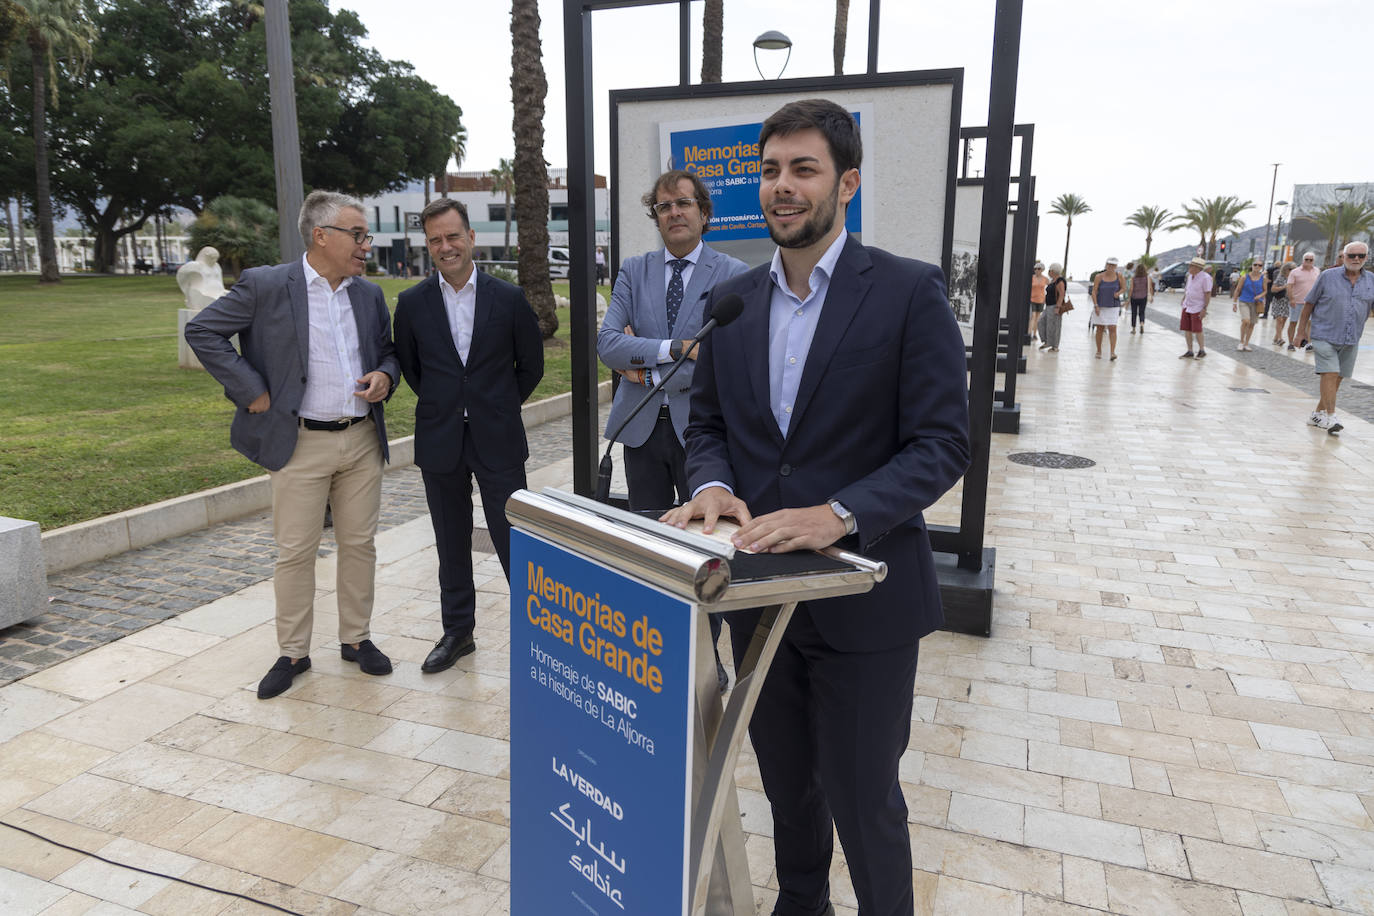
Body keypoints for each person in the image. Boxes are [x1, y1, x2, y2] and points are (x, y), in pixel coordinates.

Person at [663, 99, 970, 916]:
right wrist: (710, 486)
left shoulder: (907, 292)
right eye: (769, 171)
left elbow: (942, 444)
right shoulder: (733, 303)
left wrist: (839, 512)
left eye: (803, 169)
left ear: (848, 182)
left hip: (864, 603)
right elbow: (709, 428)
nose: (782, 187)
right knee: (788, 790)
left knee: (865, 802)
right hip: (759, 603)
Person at [185, 190, 399, 699]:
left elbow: (388, 352)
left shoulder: (367, 295)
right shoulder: (265, 285)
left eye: (365, 235)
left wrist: (385, 376)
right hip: (299, 443)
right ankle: (293, 652)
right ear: (320, 235)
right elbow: (204, 330)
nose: (365, 245)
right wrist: (250, 388)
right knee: (296, 552)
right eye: (357, 234)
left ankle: (356, 640)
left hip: (361, 439)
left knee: (359, 545)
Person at [597, 170, 748, 691]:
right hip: (640, 430)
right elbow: (608, 344)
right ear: (655, 216)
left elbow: (724, 358)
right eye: (664, 206)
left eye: (684, 204)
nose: (674, 213)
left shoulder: (731, 272)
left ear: (704, 213)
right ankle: (658, 650)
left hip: (702, 434)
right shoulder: (633, 270)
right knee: (652, 544)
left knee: (707, 549)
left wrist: (643, 361)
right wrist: (675, 349)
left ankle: (708, 656)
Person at [393, 199, 544, 672]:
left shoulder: (508, 297)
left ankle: (538, 632)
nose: (445, 247)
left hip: (497, 437)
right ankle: (458, 632)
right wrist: (450, 407)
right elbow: (413, 369)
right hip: (440, 440)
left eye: (452, 236)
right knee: (450, 540)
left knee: (514, 537)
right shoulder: (413, 304)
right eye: (435, 240)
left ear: (471, 237)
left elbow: (531, 366)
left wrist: (493, 405)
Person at [1293, 241, 1374, 435]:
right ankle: (1331, 417)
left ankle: (1316, 414)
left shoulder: (1371, 279)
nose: (1356, 259)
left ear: (1366, 258)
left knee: (1337, 378)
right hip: (1324, 334)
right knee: (1329, 373)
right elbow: (1309, 304)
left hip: (1351, 337)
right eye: (1352, 255)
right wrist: (1301, 331)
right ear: (1343, 257)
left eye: (1360, 256)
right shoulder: (1327, 277)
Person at [1285, 252, 1321, 350]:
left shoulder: (1317, 271)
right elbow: (1289, 286)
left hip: (1311, 302)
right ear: (1303, 260)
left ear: (1314, 261)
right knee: (1293, 322)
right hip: (1297, 302)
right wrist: (1291, 299)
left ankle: (1309, 343)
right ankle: (1291, 343)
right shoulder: (1295, 272)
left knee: (1310, 322)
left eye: (1311, 260)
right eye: (1306, 259)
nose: (1308, 261)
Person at [1090, 257, 1124, 359]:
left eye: (1113, 265)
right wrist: (1096, 305)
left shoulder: (1119, 276)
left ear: (1116, 266)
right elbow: (1094, 291)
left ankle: (1112, 352)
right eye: (1109, 264)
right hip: (1100, 306)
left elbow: (1124, 288)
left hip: (1113, 306)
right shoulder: (1099, 277)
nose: (1111, 267)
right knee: (1099, 328)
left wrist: (1118, 293)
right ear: (1106, 265)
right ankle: (1099, 351)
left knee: (1112, 328)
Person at [1179, 255, 1212, 358]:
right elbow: (1188, 289)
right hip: (1187, 305)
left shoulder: (1205, 278)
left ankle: (1202, 350)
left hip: (1198, 306)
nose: (1189, 268)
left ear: (1197, 268)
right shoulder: (1190, 276)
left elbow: (1207, 293)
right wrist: (1184, 298)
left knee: (1197, 329)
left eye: (1191, 266)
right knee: (1187, 329)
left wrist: (1204, 308)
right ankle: (1190, 350)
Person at [1231, 260, 1267, 351]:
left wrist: (1260, 296)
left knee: (1252, 324)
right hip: (1244, 301)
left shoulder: (1264, 278)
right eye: (1255, 265)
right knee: (1246, 320)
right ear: (1252, 266)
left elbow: (1265, 291)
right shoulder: (1244, 277)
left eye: (1259, 265)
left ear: (1261, 267)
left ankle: (1246, 343)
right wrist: (1234, 303)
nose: (1257, 266)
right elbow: (1238, 290)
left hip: (1257, 303)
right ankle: (1241, 342)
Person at [1039, 262, 1068, 351]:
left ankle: (1055, 346)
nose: (1048, 272)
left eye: (1050, 270)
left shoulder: (1060, 281)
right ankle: (1047, 341)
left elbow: (1062, 294)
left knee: (1055, 326)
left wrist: (1058, 307)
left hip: (1055, 306)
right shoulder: (1052, 280)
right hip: (1048, 306)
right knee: (1041, 322)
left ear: (1054, 271)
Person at [1269, 261, 1294, 345]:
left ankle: (1276, 338)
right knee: (1279, 320)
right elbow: (1273, 289)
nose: (1292, 270)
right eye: (1290, 269)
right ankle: (1280, 338)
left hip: (1287, 302)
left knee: (1283, 321)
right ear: (1285, 269)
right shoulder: (1280, 277)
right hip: (1279, 300)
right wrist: (1284, 287)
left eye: (1294, 269)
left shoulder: (1294, 278)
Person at [1127, 262, 1152, 334]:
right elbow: (1149, 288)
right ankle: (1141, 324)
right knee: (1142, 312)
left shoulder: (1133, 278)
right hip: (1143, 297)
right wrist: (1151, 296)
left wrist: (1129, 298)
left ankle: (1134, 329)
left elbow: (1131, 289)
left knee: (1134, 313)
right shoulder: (1147, 278)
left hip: (1134, 297)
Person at [1029, 261, 1047, 343]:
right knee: (1033, 316)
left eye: (1039, 269)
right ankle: (1029, 333)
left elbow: (1051, 286)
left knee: (1037, 317)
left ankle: (1035, 334)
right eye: (1035, 269)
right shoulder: (1032, 278)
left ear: (1042, 270)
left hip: (1041, 299)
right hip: (1032, 299)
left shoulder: (1045, 279)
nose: (1037, 270)